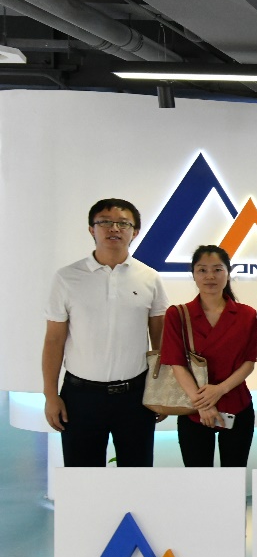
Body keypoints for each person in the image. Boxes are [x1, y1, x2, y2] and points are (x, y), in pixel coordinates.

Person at [42, 198, 169, 467]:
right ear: (92, 229)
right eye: (105, 222)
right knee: (83, 479)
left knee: (136, 477)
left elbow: (159, 341)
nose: (114, 229)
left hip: (136, 397)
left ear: (135, 232)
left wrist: (161, 392)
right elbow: (54, 340)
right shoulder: (67, 277)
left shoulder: (150, 278)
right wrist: (51, 396)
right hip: (80, 397)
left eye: (123, 224)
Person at [161, 245, 257, 467]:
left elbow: (249, 362)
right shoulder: (178, 314)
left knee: (233, 478)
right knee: (198, 481)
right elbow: (176, 364)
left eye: (217, 269)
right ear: (194, 274)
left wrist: (220, 390)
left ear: (228, 273)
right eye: (202, 270)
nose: (210, 276)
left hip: (236, 405)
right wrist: (203, 404)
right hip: (193, 408)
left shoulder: (246, 314)